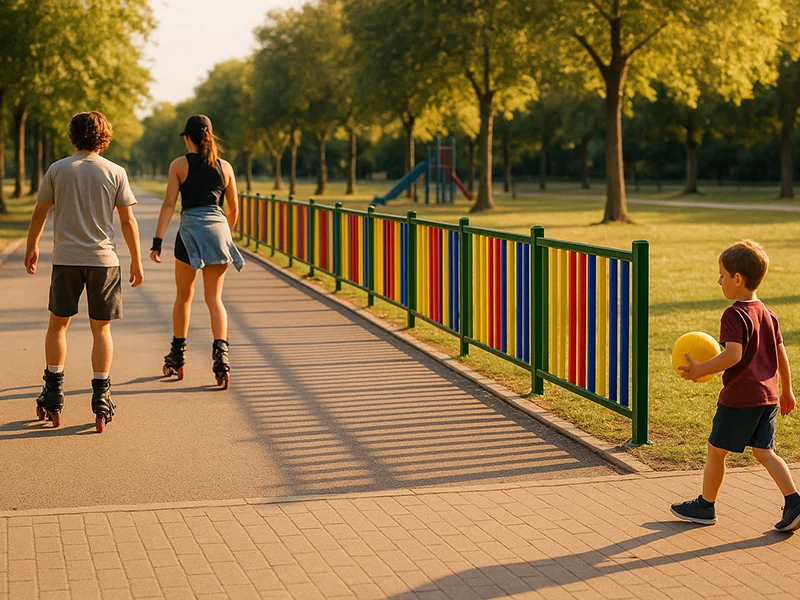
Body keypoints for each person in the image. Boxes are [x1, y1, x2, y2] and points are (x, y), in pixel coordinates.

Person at [24, 111, 144, 432]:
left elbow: (39, 214)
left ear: (72, 136)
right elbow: (127, 221)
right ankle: (102, 396)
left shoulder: (57, 170)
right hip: (104, 262)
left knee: (58, 326)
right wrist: (136, 259)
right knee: (101, 330)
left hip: (66, 259)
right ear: (104, 137)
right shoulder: (115, 172)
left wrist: (31, 246)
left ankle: (52, 393)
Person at [671, 240, 799, 531]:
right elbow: (781, 353)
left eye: (722, 275)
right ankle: (794, 502)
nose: (719, 281)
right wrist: (787, 390)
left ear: (737, 279)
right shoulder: (766, 313)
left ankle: (705, 506)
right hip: (767, 396)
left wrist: (700, 369)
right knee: (764, 452)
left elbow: (733, 355)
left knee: (716, 450)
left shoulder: (734, 314)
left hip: (740, 397)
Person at [149, 114, 242, 389]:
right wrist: (225, 235)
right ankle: (222, 360)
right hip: (218, 230)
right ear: (210, 136)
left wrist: (157, 241)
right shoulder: (225, 167)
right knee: (215, 299)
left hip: (189, 234)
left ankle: (177, 357)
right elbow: (234, 209)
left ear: (188, 138)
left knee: (184, 298)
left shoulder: (179, 165)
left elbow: (169, 205)